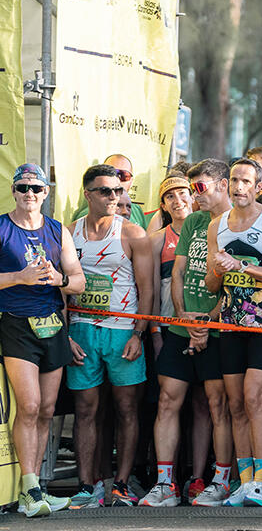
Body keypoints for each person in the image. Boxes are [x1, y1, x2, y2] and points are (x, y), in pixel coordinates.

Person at [205, 158, 262, 507]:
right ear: (226, 185)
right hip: (230, 322)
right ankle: (244, 480)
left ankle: (261, 481)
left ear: (258, 188)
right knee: (236, 403)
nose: (239, 187)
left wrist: (241, 265)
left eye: (246, 181)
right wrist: (219, 270)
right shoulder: (216, 226)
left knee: (255, 398)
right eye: (234, 181)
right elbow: (212, 285)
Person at [67, 164, 153, 508]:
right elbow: (61, 289)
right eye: (105, 191)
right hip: (82, 330)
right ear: (88, 194)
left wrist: (139, 333)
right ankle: (86, 486)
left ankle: (120, 484)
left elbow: (147, 290)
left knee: (126, 408)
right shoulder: (68, 232)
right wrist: (66, 336)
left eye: (117, 191)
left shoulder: (133, 234)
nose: (113, 197)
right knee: (85, 409)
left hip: (122, 333)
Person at [0, 164, 84, 516]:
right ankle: (30, 485)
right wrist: (19, 276)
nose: (29, 194)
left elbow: (78, 281)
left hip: (52, 323)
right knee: (30, 405)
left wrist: (58, 278)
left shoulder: (57, 230)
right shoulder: (3, 227)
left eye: (36, 188)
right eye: (23, 188)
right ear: (14, 191)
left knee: (48, 409)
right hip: (16, 323)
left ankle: (34, 491)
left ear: (46, 193)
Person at [165, 161, 238, 508]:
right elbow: (179, 273)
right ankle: (166, 482)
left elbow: (235, 287)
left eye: (200, 188)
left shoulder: (239, 223)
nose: (195, 196)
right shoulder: (193, 221)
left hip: (220, 331)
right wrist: (183, 316)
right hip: (183, 326)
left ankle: (220, 480)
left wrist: (207, 322)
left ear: (222, 185)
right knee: (168, 400)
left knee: (217, 405)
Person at [141, 176, 210, 508]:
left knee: (205, 405)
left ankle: (198, 478)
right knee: (168, 402)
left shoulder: (213, 228)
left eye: (184, 193)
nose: (178, 199)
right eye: (170, 196)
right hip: (171, 330)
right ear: (163, 205)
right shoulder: (156, 240)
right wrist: (154, 333)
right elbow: (151, 291)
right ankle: (165, 480)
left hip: (210, 329)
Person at [71, 153, 150, 228]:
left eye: (124, 175)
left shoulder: (137, 210)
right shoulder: (89, 214)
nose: (117, 180)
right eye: (111, 175)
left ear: (131, 181)